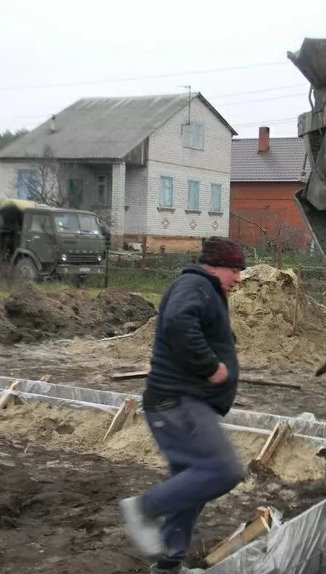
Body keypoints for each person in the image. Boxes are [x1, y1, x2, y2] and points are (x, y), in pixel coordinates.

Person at [119, 236, 246, 574]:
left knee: (191, 485)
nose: (239, 277)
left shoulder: (206, 289)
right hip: (176, 402)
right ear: (214, 265)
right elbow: (178, 322)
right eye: (234, 269)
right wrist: (210, 365)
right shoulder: (196, 284)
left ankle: (169, 564)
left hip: (183, 401)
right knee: (222, 469)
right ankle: (144, 509)